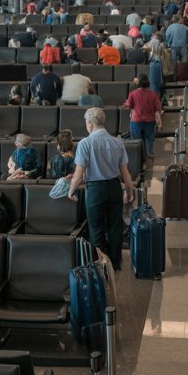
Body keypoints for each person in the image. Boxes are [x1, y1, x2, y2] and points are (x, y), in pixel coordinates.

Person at [66, 108, 134, 271]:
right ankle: (116, 263)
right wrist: (129, 191)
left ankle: (103, 265)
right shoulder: (118, 142)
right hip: (114, 187)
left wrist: (71, 191)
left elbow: (79, 174)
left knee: (96, 227)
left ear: (90, 123)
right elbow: (126, 173)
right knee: (115, 226)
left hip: (96, 190)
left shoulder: (85, 143)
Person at [124, 75, 162, 160]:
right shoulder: (153, 94)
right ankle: (149, 153)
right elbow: (158, 108)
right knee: (149, 138)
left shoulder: (132, 94)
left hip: (136, 121)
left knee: (136, 140)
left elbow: (129, 105)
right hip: (150, 120)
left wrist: (126, 104)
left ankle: (139, 157)